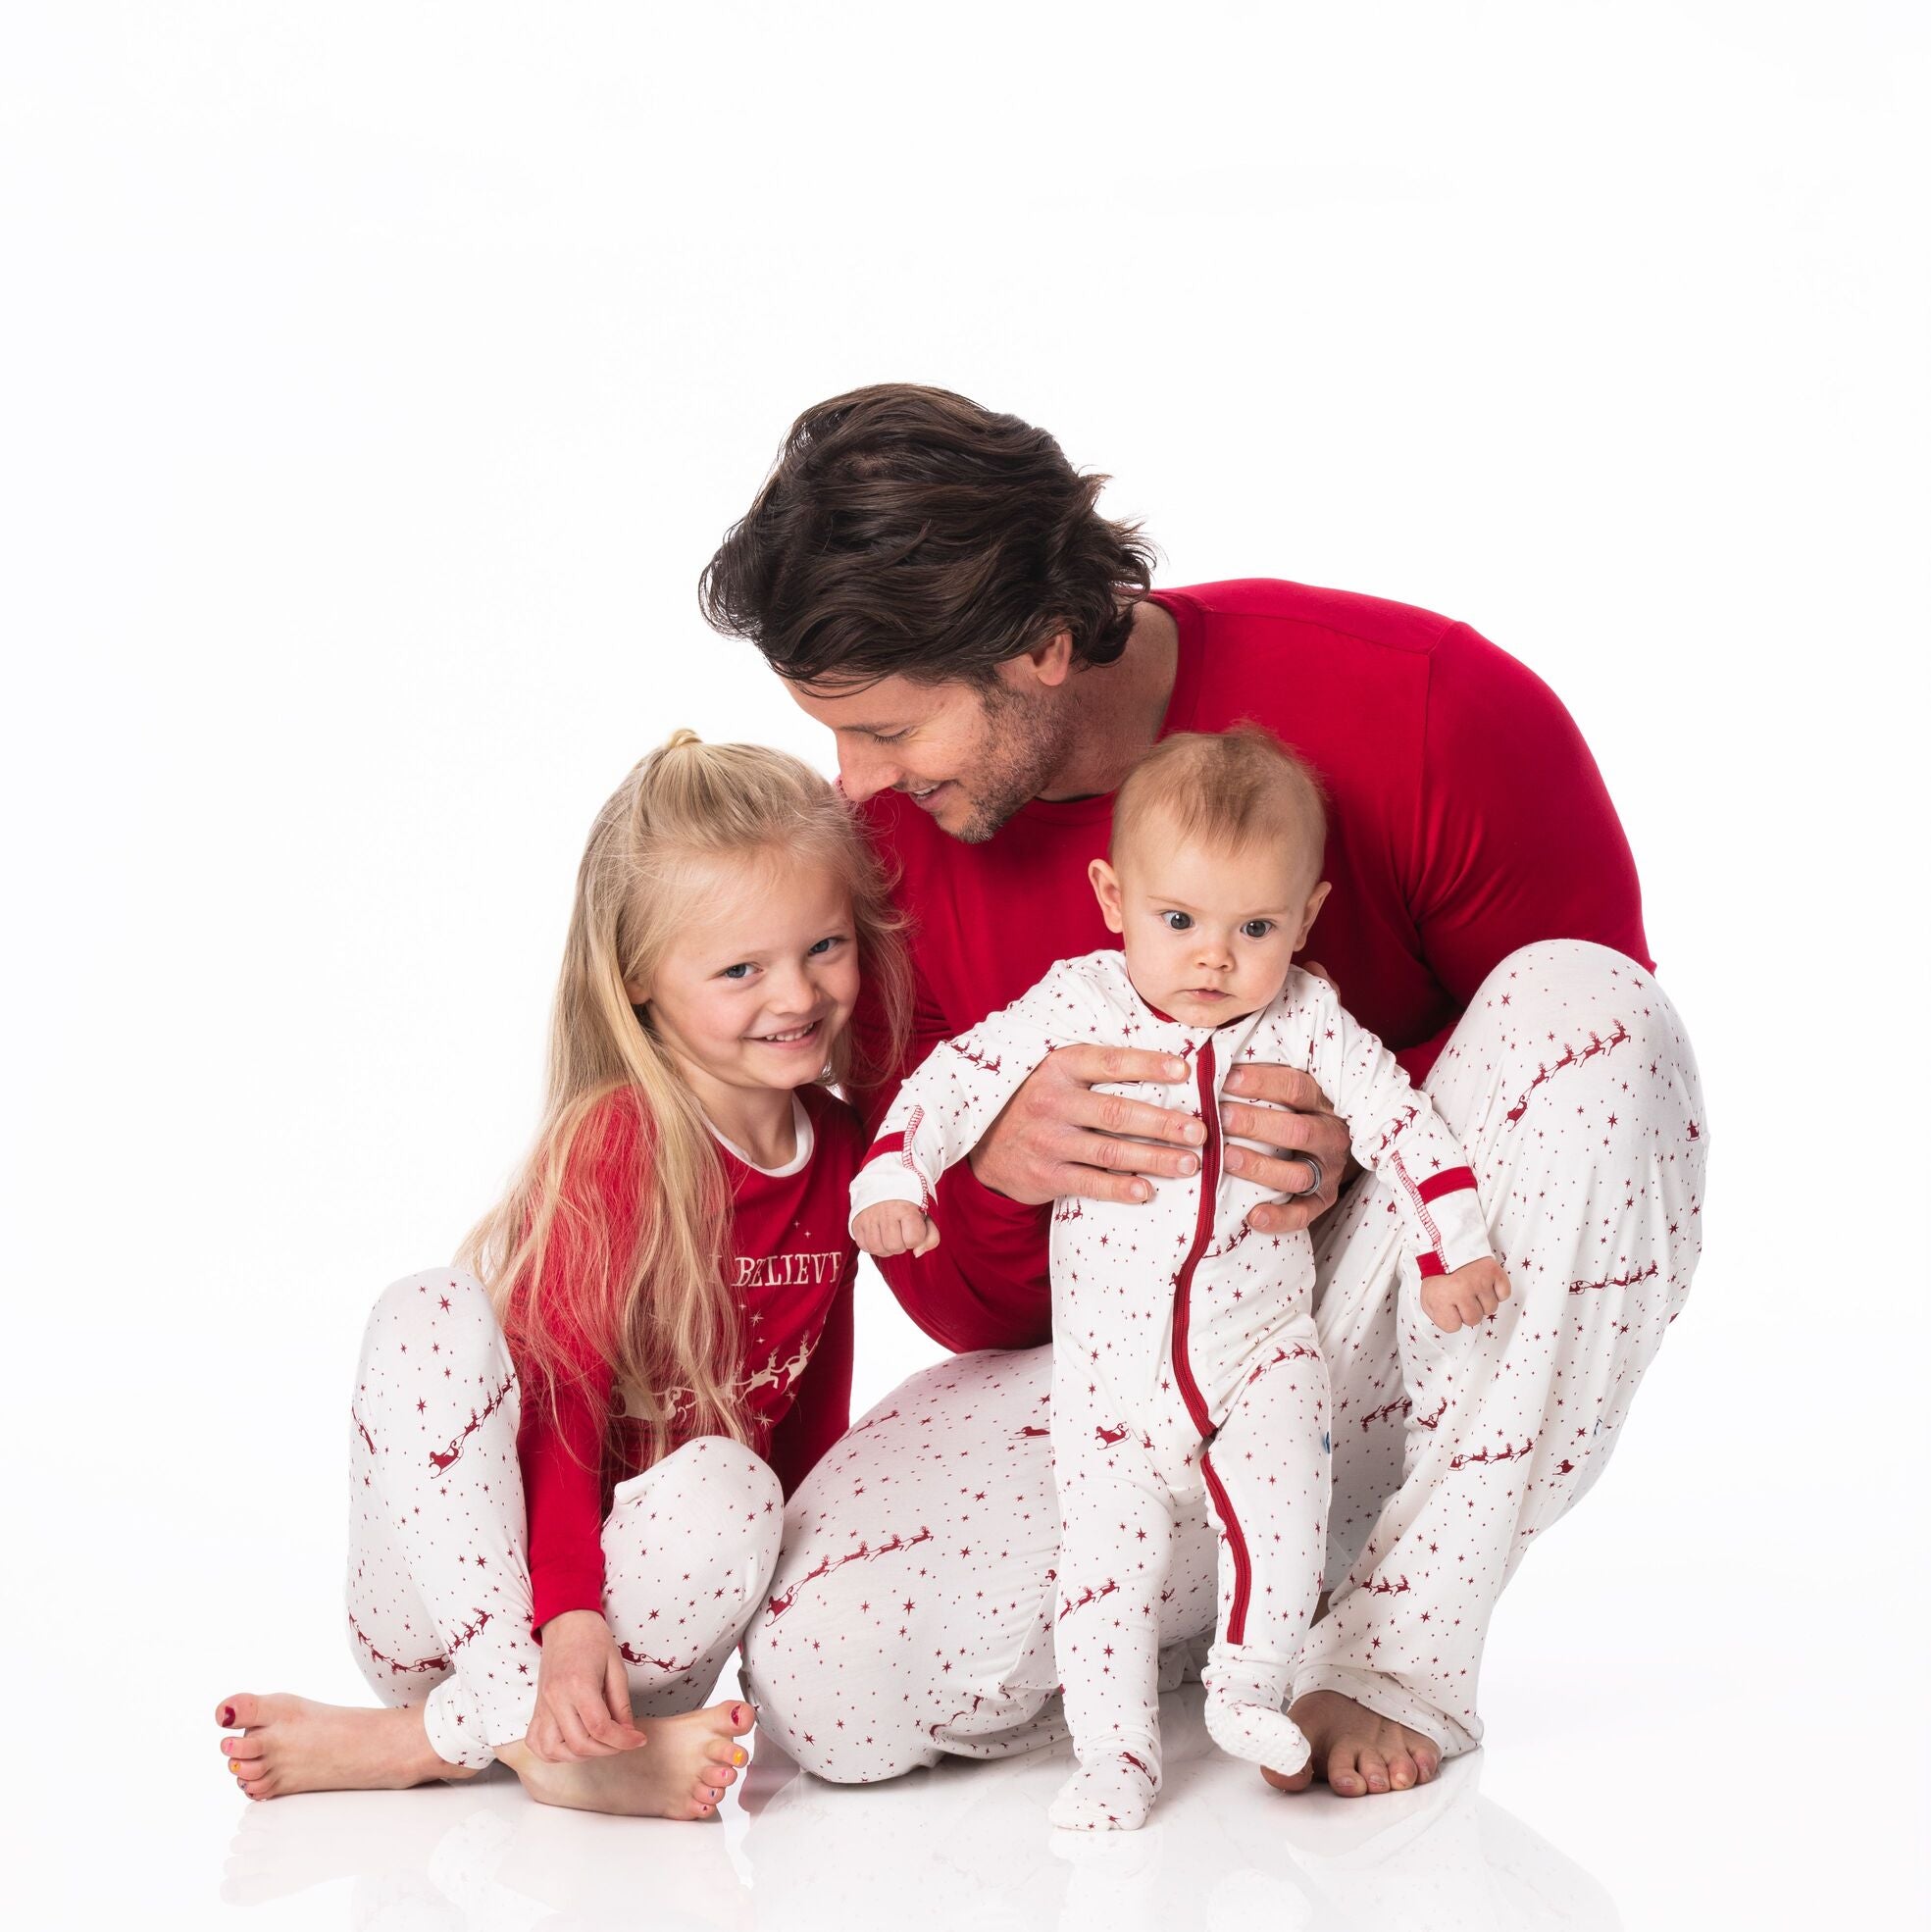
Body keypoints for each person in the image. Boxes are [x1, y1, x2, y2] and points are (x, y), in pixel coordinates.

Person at [702, 383, 1708, 1798]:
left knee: (1595, 1011)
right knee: (827, 1673)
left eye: (888, 729)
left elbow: (1601, 1100)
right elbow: (963, 1309)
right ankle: (1242, 1592)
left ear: (1042, 645)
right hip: (1122, 1369)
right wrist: (1001, 1172)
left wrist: (1350, 1135)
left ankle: (1394, 1646)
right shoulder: (883, 863)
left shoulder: (1429, 705)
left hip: (1397, 1312)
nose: (853, 779)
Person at [214, 732, 909, 1817]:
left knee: (739, 1484)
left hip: (639, 1652)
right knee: (428, 1307)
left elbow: (814, 1407)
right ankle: (516, 1730)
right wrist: (565, 1620)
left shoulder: (845, 1149)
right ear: (638, 980)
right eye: (740, 969)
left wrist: (799, 1623)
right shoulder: (619, 1139)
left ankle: (434, 1746)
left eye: (824, 946)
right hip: (467, 1612)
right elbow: (561, 1400)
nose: (797, 994)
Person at [851, 728, 1511, 1831]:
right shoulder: (1076, 1002)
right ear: (1113, 900)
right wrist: (895, 1173)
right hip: (1111, 1375)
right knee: (1103, 1568)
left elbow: (1402, 1122)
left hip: (1262, 1352)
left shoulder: (1307, 1020)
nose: (1213, 958)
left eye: (1253, 928)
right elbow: (953, 1077)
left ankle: (1249, 1689)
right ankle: (1115, 1757)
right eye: (1179, 921)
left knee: (1282, 1518)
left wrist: (1455, 1245)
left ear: (1304, 917)